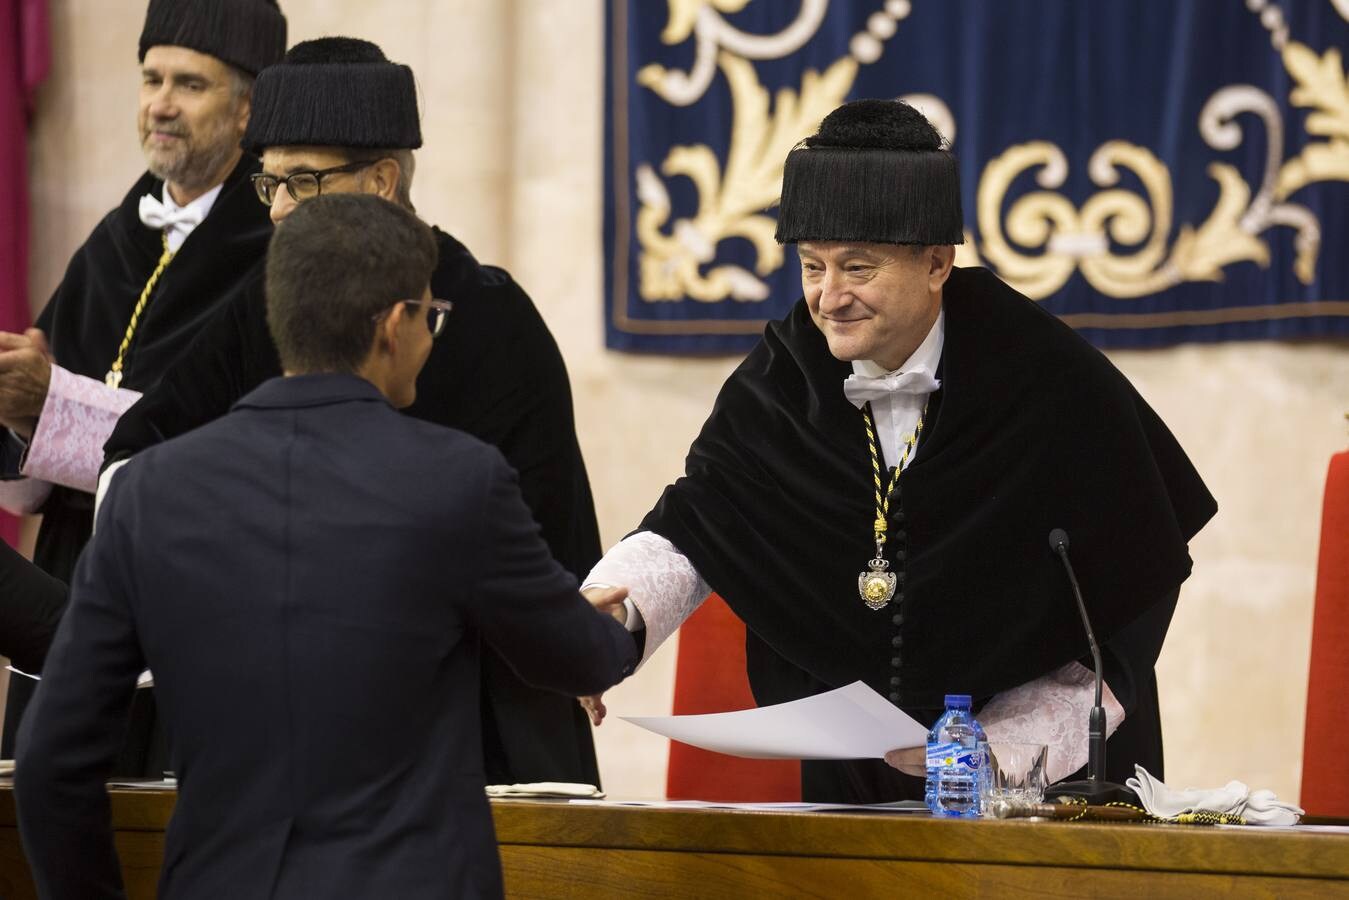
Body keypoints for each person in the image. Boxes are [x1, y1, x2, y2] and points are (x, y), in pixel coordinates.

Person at [582, 99, 1218, 804]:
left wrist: (1008, 744)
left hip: (1030, 785)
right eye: (811, 266)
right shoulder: (781, 376)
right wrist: (601, 626)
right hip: (851, 771)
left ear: (937, 263)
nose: (829, 298)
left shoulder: (1046, 374)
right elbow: (696, 524)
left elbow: (1131, 584)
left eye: (858, 268)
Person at [14, 193, 638, 900]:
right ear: (393, 326)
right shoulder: (455, 479)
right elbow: (571, 655)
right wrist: (611, 628)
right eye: (431, 316)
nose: (432, 337)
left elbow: (50, 766)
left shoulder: (146, 492)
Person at [101, 37, 607, 786]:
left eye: (300, 182)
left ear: (381, 180)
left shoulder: (493, 317)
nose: (276, 210)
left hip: (453, 735)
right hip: (269, 718)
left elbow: (545, 544)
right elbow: (131, 463)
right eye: (267, 184)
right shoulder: (257, 304)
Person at [0, 0, 286, 758]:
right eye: (150, 78)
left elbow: (243, 452)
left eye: (189, 84)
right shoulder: (113, 241)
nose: (160, 103)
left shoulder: (277, 256)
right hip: (66, 585)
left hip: (195, 600)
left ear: (249, 106)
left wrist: (54, 404)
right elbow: (35, 464)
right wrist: (20, 413)